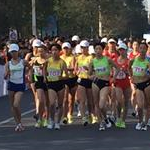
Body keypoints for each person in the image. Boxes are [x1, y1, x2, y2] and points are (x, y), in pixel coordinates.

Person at [89, 42, 119, 131]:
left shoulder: (108, 60)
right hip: (95, 82)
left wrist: (114, 77)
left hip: (105, 83)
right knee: (96, 104)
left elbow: (117, 68)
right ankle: (101, 122)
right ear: (94, 50)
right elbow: (89, 74)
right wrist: (91, 77)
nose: (98, 51)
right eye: (96, 49)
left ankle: (105, 117)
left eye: (99, 49)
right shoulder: (92, 61)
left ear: (102, 50)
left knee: (101, 105)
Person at [44, 43, 68, 130]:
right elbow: (44, 68)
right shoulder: (48, 61)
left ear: (59, 51)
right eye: (52, 50)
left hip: (60, 83)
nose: (54, 52)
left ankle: (58, 122)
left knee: (60, 104)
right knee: (52, 103)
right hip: (51, 84)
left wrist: (62, 76)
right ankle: (51, 120)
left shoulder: (62, 62)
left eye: (56, 50)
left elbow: (66, 74)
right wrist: (44, 77)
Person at [4, 43, 28, 132]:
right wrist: (7, 73)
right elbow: (5, 77)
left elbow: (30, 67)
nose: (13, 53)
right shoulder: (8, 64)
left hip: (20, 85)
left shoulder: (23, 61)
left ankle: (20, 122)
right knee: (13, 106)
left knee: (16, 104)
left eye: (14, 51)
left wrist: (28, 74)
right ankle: (18, 124)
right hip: (11, 85)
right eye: (11, 52)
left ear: (18, 52)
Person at [129, 44, 150, 131]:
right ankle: (140, 121)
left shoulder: (148, 60)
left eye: (144, 48)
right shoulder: (134, 60)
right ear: (138, 49)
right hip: (138, 84)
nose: (142, 50)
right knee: (140, 105)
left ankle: (145, 122)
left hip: (147, 84)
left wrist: (148, 74)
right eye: (140, 48)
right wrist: (131, 76)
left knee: (148, 104)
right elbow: (129, 67)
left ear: (146, 49)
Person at [75, 40, 96, 126]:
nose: (83, 49)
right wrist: (77, 72)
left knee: (90, 101)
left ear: (88, 48)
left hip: (89, 80)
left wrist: (87, 69)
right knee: (82, 100)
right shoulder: (78, 57)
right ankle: (84, 118)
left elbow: (94, 70)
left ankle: (92, 115)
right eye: (82, 47)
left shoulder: (91, 58)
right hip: (81, 79)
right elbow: (75, 67)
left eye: (85, 47)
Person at [29, 46, 49, 128]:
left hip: (47, 81)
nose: (40, 53)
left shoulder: (48, 60)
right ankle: (40, 119)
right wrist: (30, 77)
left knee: (48, 102)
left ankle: (46, 119)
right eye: (39, 51)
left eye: (42, 51)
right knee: (41, 100)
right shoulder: (34, 60)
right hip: (38, 81)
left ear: (45, 51)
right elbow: (30, 68)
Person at [114, 43, 131, 128]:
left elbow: (131, 73)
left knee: (126, 102)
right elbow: (112, 70)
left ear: (125, 50)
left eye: (123, 50)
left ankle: (123, 120)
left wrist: (126, 72)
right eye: (120, 50)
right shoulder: (115, 60)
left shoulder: (129, 61)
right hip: (118, 83)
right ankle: (118, 117)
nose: (121, 51)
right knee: (119, 101)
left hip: (126, 82)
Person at [60, 42, 77, 124]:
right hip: (64, 79)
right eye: (64, 48)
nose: (65, 50)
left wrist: (65, 69)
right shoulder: (60, 58)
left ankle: (70, 114)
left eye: (67, 48)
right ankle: (65, 116)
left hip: (72, 79)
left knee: (71, 99)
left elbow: (74, 68)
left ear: (70, 49)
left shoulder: (73, 57)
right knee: (65, 99)